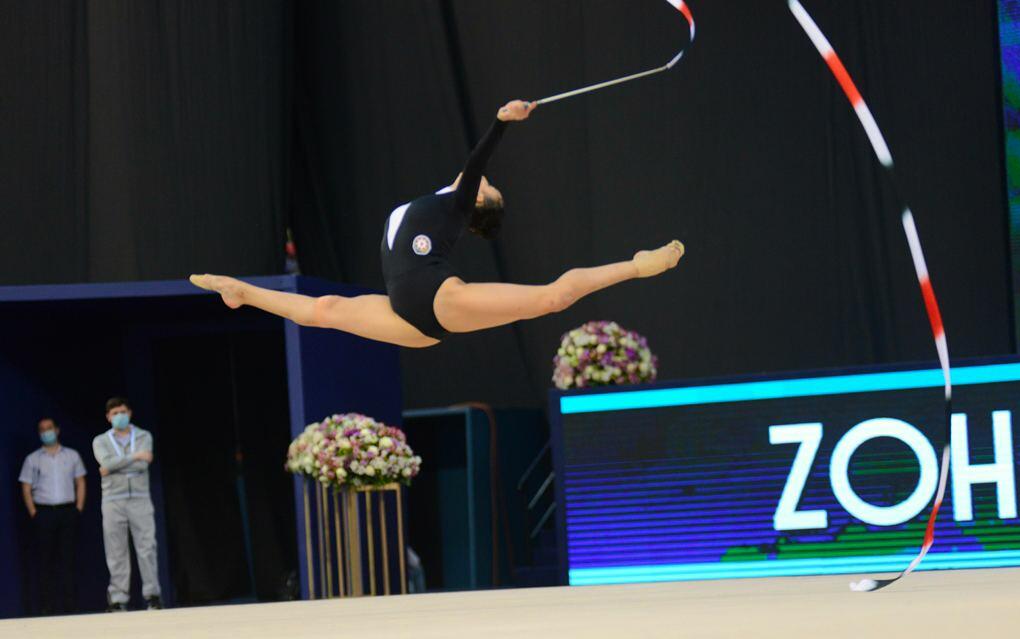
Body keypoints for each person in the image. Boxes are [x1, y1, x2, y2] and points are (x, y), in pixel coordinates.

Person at [189, 100, 684, 347]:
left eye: (488, 186)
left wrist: (502, 122)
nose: (485, 180)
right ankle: (242, 292)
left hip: (438, 299)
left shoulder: (459, 206)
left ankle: (638, 265)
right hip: (407, 314)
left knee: (551, 298)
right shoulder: (442, 203)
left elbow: (476, 161)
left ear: (480, 200)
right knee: (323, 309)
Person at [91, 397, 163, 611]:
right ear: (108, 417)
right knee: (116, 550)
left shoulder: (143, 436)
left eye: (122, 412)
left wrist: (113, 466)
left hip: (139, 498)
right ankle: (118, 598)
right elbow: (106, 462)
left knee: (147, 547)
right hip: (113, 500)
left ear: (129, 413)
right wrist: (136, 456)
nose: (119, 416)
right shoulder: (101, 440)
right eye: (115, 413)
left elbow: (142, 466)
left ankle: (152, 595)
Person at [18, 418, 86, 615]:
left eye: (49, 428)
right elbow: (26, 487)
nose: (46, 432)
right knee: (45, 561)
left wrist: (78, 508)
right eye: (42, 430)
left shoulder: (71, 455)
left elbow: (80, 482)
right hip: (44, 513)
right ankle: (47, 608)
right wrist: (33, 512)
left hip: (67, 511)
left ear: (57, 430)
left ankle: (71, 607)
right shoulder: (33, 459)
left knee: (68, 559)